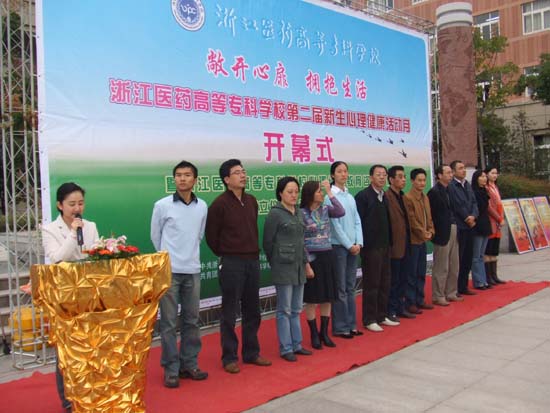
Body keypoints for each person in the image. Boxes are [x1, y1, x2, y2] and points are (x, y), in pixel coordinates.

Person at [205, 159, 271, 374]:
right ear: (226, 179)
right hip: (232, 262)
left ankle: (251, 353)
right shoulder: (219, 204)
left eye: (243, 171)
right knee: (230, 312)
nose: (242, 175)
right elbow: (211, 237)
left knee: (253, 309)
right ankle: (229, 357)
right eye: (237, 172)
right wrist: (227, 252)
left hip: (252, 261)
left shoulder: (251, 200)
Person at [42, 182, 99, 413]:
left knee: (90, 345)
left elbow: (94, 256)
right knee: (66, 350)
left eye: (81, 203)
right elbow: (58, 258)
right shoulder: (50, 229)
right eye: (72, 204)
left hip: (88, 293)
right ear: (60, 205)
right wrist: (74, 233)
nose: (77, 208)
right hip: (64, 295)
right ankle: (68, 400)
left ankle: (91, 393)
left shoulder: (91, 226)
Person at [150, 161, 208, 388]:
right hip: (170, 272)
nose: (182, 179)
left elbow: (199, 235)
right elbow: (155, 236)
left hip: (192, 270)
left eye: (187, 175)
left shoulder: (202, 206)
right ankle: (171, 369)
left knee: (192, 321)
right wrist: (168, 259)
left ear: (195, 180)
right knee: (168, 323)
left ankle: (189, 364)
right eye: (178, 175)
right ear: (174, 179)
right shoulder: (162, 205)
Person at [263, 177, 312, 362]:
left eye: (296, 192)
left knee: (297, 308)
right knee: (284, 309)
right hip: (283, 268)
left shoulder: (298, 212)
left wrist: (306, 263)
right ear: (280, 193)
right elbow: (268, 243)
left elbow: (302, 242)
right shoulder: (275, 214)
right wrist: (277, 261)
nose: (293, 195)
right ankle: (286, 348)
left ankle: (297, 345)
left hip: (299, 267)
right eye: (289, 192)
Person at [300, 180, 345, 348]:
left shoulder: (325, 209)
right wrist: (306, 262)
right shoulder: (301, 213)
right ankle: (313, 333)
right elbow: (300, 240)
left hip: (327, 255)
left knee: (328, 297)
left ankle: (324, 333)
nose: (322, 194)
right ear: (310, 194)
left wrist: (330, 193)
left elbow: (341, 211)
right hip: (312, 258)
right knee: (312, 299)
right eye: (319, 191)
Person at [355, 165, 398, 332]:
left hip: (385, 245)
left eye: (384, 174)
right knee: (372, 283)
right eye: (378, 174)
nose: (382, 177)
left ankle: (382, 315)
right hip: (371, 247)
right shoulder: (363, 196)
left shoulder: (384, 195)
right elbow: (358, 223)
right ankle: (369, 318)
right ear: (370, 177)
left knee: (385, 282)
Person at [327, 161, 363, 338]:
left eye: (345, 171)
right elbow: (335, 226)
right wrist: (349, 245)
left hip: (353, 248)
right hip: (338, 247)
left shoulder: (350, 196)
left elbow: (357, 221)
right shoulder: (329, 196)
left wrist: (359, 243)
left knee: (350, 287)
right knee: (340, 288)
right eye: (339, 171)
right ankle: (341, 327)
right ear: (332, 175)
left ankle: (351, 324)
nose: (343, 174)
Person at [428, 165, 463, 305]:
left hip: (453, 227)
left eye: (451, 172)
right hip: (441, 231)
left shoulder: (451, 189)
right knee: (442, 266)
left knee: (454, 264)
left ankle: (451, 292)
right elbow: (432, 214)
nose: (450, 175)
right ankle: (438, 295)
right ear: (439, 175)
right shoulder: (434, 192)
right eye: (447, 173)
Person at [403, 168, 435, 314]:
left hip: (423, 240)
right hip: (414, 240)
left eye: (424, 180)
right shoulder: (408, 198)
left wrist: (431, 231)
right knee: (411, 272)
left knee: (421, 271)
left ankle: (420, 299)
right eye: (419, 180)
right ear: (412, 181)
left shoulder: (425, 197)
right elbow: (412, 221)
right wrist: (423, 233)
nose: (422, 183)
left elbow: (429, 217)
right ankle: (410, 301)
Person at [385, 165, 415, 320]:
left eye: (404, 177)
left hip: (406, 244)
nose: (403, 180)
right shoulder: (386, 197)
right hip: (394, 246)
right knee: (393, 280)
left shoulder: (404, 197)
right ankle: (391, 310)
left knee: (404, 278)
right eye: (400, 177)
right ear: (391, 180)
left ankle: (400, 307)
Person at [448, 160, 478, 296]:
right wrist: (467, 217)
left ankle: (464, 285)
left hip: (470, 225)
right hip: (460, 225)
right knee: (458, 258)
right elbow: (456, 205)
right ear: (453, 171)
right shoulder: (451, 186)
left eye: (464, 168)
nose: (464, 170)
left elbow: (474, 202)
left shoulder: (467, 184)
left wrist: (473, 215)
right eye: (460, 168)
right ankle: (455, 287)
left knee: (468, 257)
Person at [470, 170, 492, 290]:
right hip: (477, 225)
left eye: (485, 176)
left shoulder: (484, 191)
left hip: (485, 224)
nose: (484, 178)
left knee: (481, 255)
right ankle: (478, 281)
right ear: (476, 178)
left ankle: (484, 280)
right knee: (476, 255)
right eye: (481, 176)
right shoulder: (473, 192)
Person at [484, 167, 506, 284]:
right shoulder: (486, 188)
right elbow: (489, 207)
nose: (495, 175)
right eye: (492, 173)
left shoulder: (495, 187)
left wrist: (501, 218)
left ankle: (494, 276)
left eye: (496, 173)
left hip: (498, 222)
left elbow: (499, 204)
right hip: (491, 221)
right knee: (488, 249)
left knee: (494, 251)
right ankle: (488, 277)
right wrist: (499, 218)